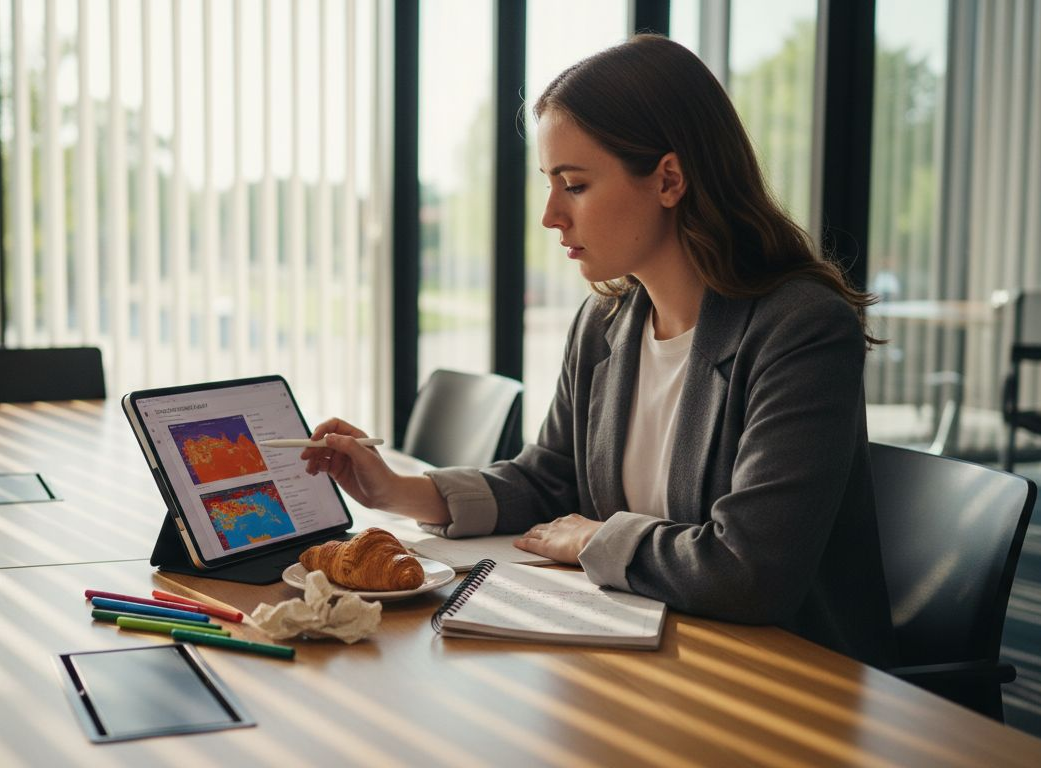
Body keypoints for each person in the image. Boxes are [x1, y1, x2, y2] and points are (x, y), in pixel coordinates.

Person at [302, 35, 897, 668]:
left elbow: (749, 571)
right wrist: (397, 491)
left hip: (782, 678)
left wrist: (595, 537)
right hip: (647, 656)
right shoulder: (605, 323)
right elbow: (548, 479)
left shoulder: (800, 329)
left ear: (668, 179)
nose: (550, 216)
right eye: (550, 185)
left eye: (575, 185)